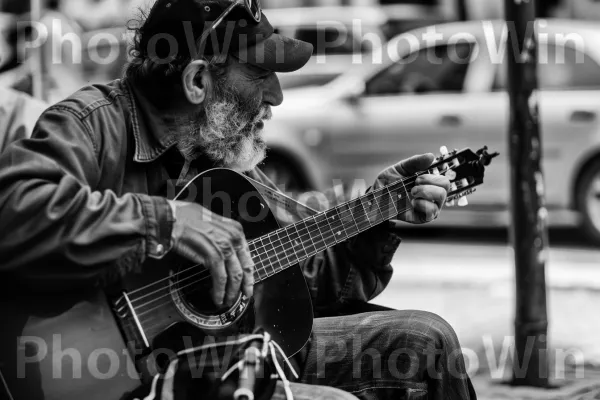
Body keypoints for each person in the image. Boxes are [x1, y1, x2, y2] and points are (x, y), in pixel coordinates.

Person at [0, 1, 477, 399]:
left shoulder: (218, 153)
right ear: (197, 81)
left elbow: (308, 274)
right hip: (98, 375)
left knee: (423, 343)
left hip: (226, 358)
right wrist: (167, 221)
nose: (277, 95)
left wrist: (381, 209)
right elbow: (14, 213)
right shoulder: (91, 124)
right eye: (259, 72)